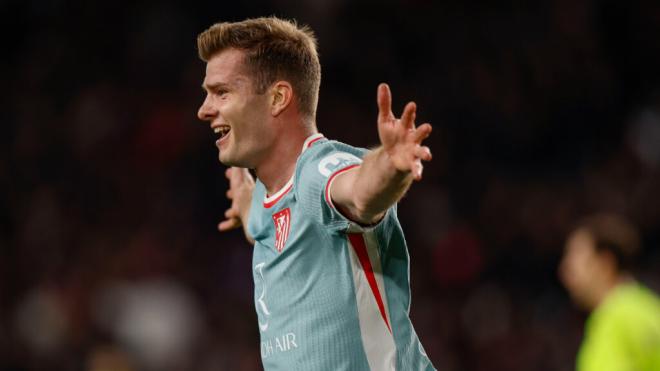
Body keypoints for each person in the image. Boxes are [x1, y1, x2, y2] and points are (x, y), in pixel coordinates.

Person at [196, 17, 436, 370]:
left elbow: (359, 192)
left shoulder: (317, 170)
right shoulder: (268, 193)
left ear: (278, 97)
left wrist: (390, 165)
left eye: (222, 92)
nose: (204, 109)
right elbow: (263, 220)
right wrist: (246, 204)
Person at [559, 213, 660, 371]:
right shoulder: (649, 307)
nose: (564, 271)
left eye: (574, 259)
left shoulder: (612, 319)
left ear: (605, 263)